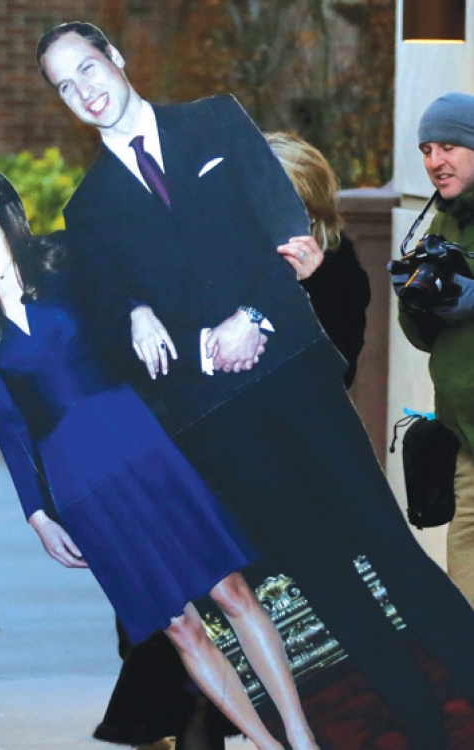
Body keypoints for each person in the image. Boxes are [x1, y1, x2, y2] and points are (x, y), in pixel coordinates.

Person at [36, 22, 474, 749]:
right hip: (216, 421)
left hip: (295, 379)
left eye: (87, 68)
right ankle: (421, 729)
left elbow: (281, 220)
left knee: (387, 548)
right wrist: (141, 315)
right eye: (64, 85)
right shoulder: (88, 211)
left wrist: (251, 318)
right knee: (325, 581)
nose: (83, 91)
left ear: (114, 58)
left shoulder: (214, 120)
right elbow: (109, 324)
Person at [0, 156, 321, 750]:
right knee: (179, 627)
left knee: (231, 591)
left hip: (142, 441)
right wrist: (37, 513)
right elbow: (6, 419)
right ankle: (266, 746)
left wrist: (136, 311)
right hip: (78, 478)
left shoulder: (59, 257)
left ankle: (299, 735)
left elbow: (125, 292)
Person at [95, 132, 371, 750]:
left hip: (278, 484)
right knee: (176, 658)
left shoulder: (336, 274)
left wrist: (300, 295)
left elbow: (334, 372)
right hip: (183, 474)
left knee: (270, 653)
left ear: (307, 212)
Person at [393, 91, 474, 608]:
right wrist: (416, 302)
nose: (435, 161)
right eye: (426, 150)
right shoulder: (443, 220)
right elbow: (427, 340)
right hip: (465, 441)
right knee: (464, 599)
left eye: (449, 147)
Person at [268, 132, 371, 389]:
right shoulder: (223, 248)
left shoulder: (338, 270)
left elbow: (340, 371)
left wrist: (313, 285)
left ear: (312, 212)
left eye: (281, 201)